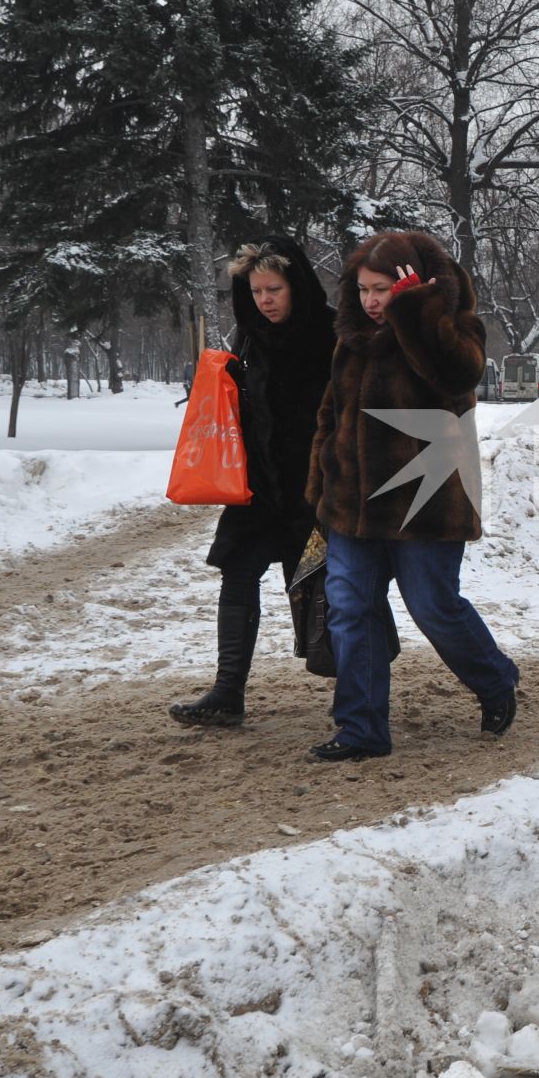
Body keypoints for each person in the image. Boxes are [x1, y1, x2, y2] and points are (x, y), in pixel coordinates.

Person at [304, 230, 518, 761]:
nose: (372, 301)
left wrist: (417, 309)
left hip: (427, 499)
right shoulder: (350, 339)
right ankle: (362, 729)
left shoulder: (450, 322)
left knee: (433, 606)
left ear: (411, 284)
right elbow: (330, 416)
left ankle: (494, 680)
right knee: (351, 608)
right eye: (364, 290)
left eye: (382, 289)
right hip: (353, 506)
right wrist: (321, 479)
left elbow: (457, 374)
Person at [170, 237, 335, 727]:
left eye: (274, 289)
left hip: (315, 492)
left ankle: (355, 694)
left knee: (320, 588)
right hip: (259, 488)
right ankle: (227, 692)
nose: (265, 299)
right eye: (257, 289)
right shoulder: (249, 337)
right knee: (237, 573)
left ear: (296, 286)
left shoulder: (331, 335)